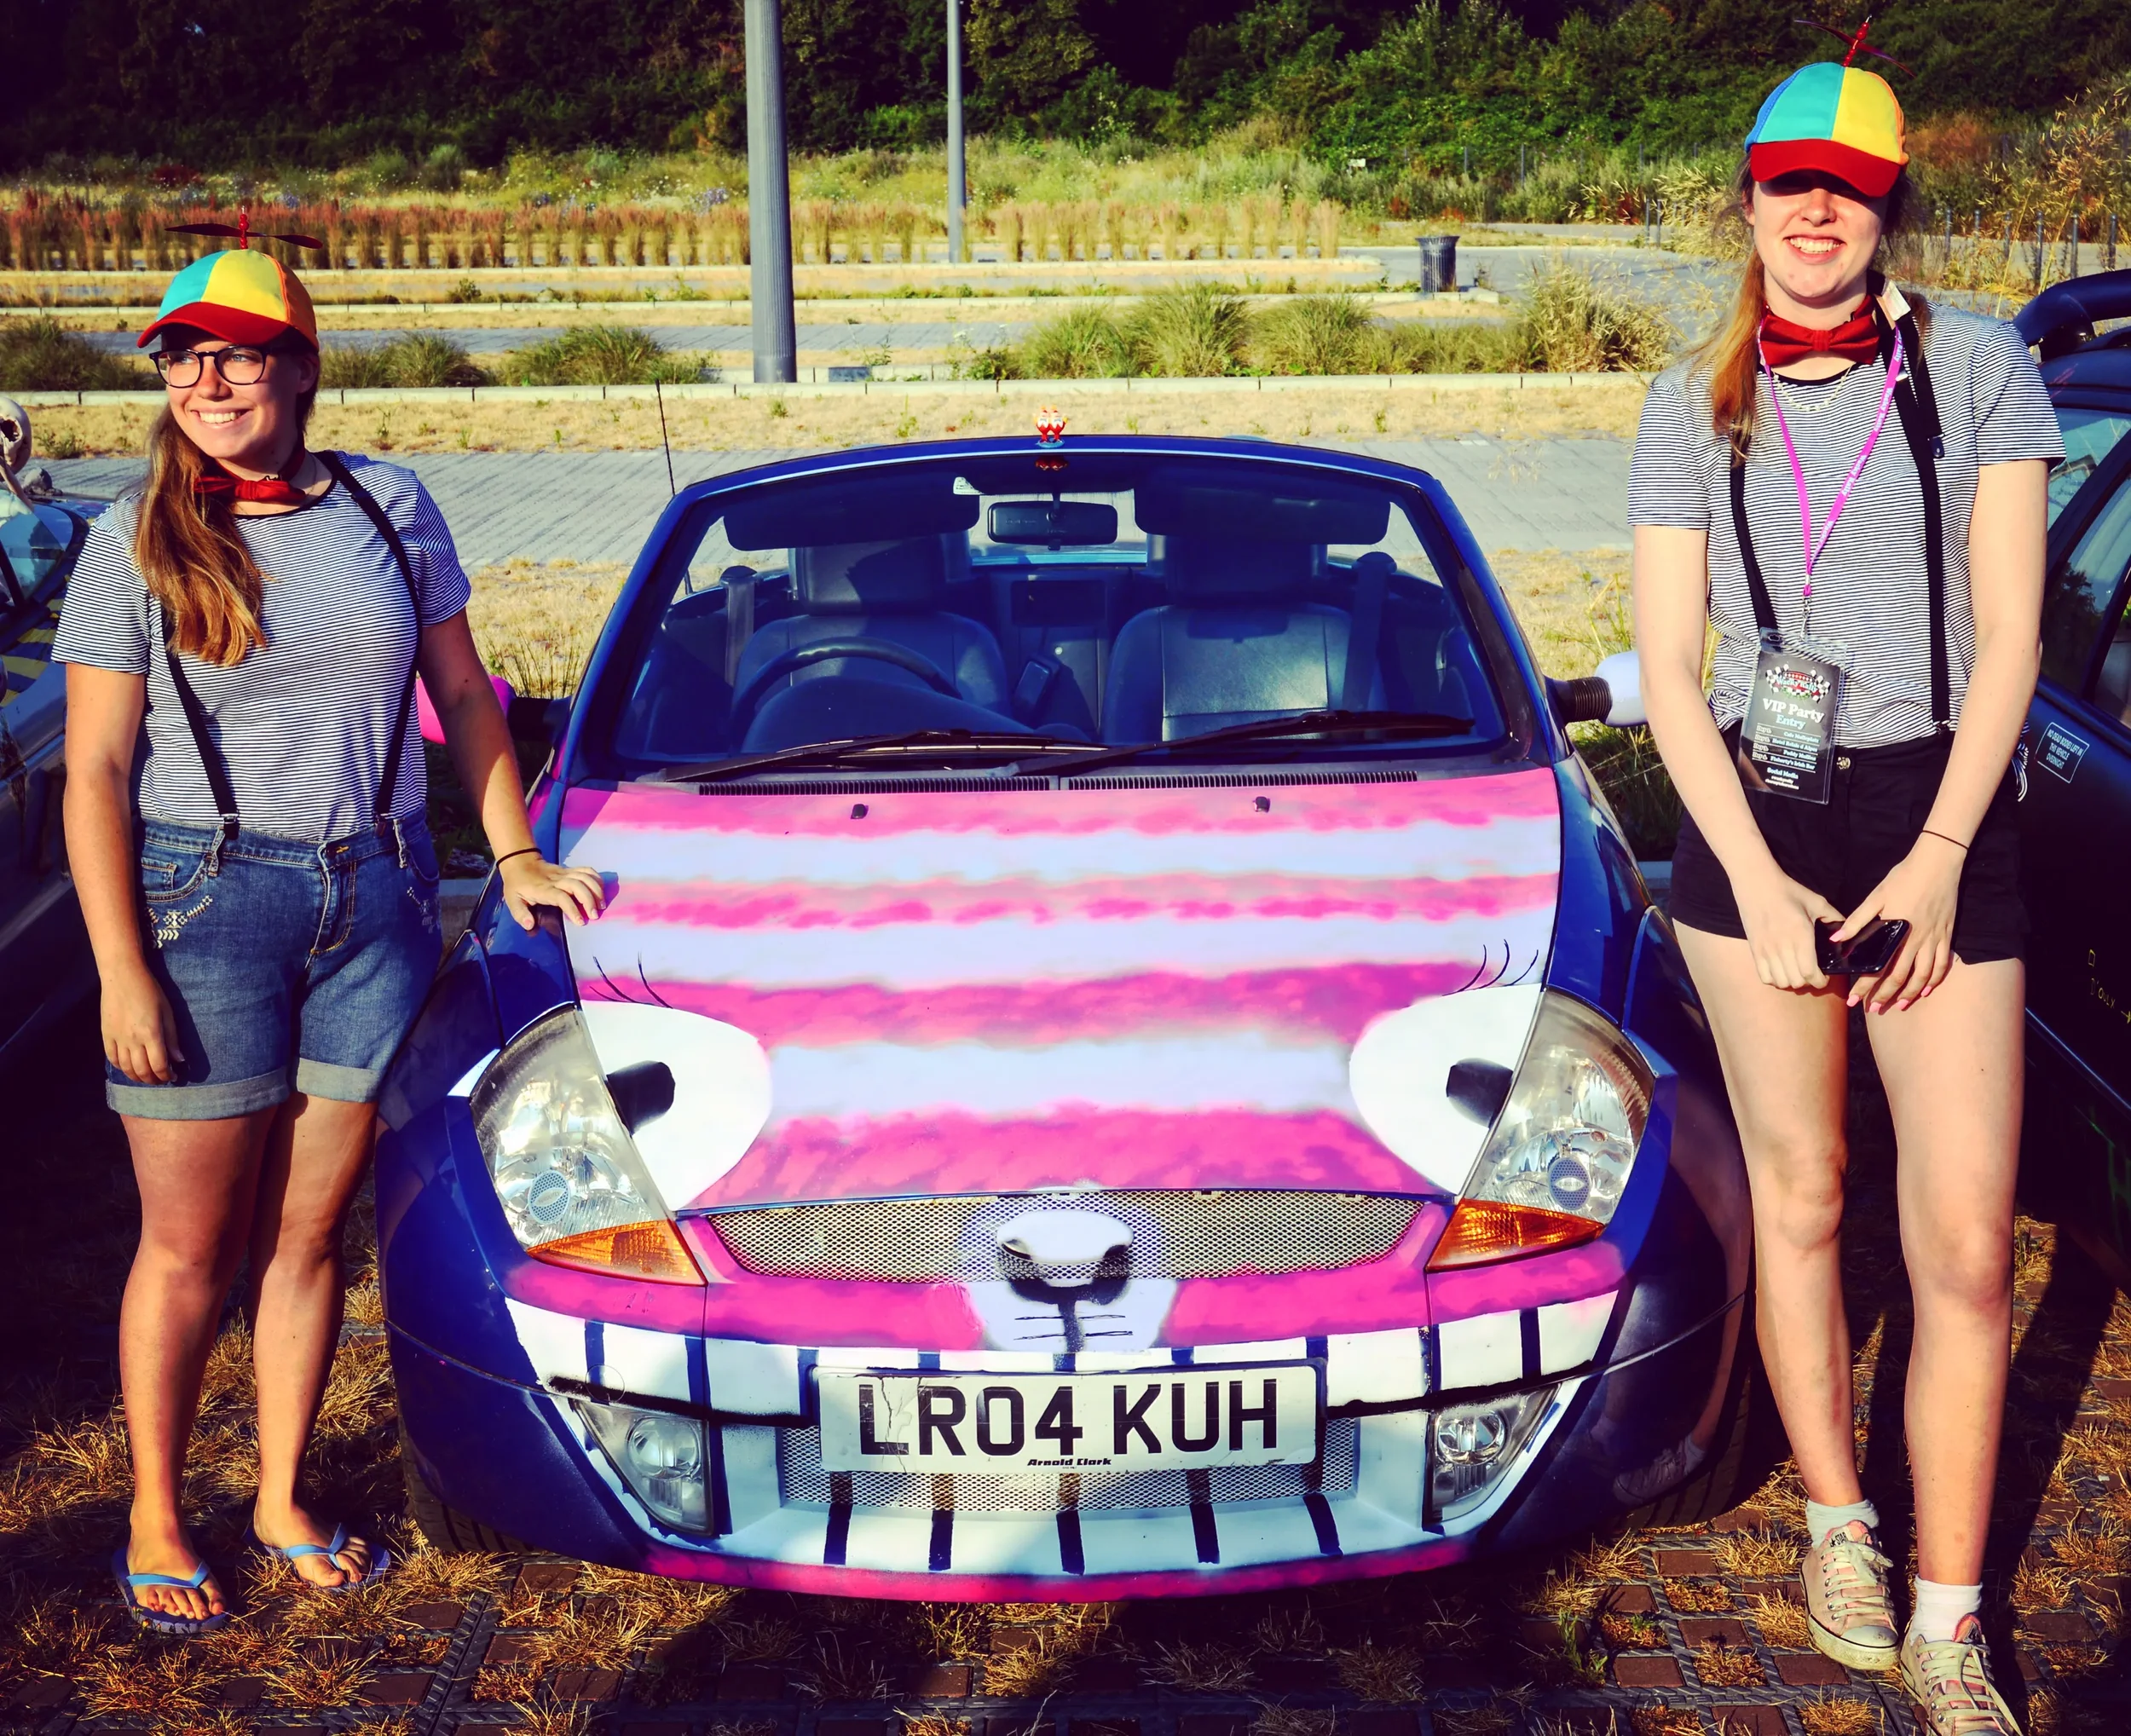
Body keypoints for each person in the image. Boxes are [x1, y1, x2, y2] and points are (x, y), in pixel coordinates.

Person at [55, 244, 605, 1635]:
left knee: (307, 1237)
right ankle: (158, 1512)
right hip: (204, 906)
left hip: (380, 902)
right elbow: (97, 776)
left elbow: (467, 698)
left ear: (301, 365)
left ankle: (282, 1495)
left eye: (239, 352)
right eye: (183, 357)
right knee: (188, 1246)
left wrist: (515, 852)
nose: (209, 380)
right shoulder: (133, 536)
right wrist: (122, 966)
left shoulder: (389, 504)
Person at [1630, 54, 2059, 1736]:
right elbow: (1670, 666)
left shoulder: (1981, 371)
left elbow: (2014, 635)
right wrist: (1749, 871)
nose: (1814, 208)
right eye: (1784, 179)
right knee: (1801, 1199)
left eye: (1849, 183)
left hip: (1933, 807)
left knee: (1957, 1241)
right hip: (1753, 826)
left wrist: (1936, 859)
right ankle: (1835, 1521)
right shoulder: (1689, 395)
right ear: (1744, 197)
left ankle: (1950, 1625)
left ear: (1887, 205)